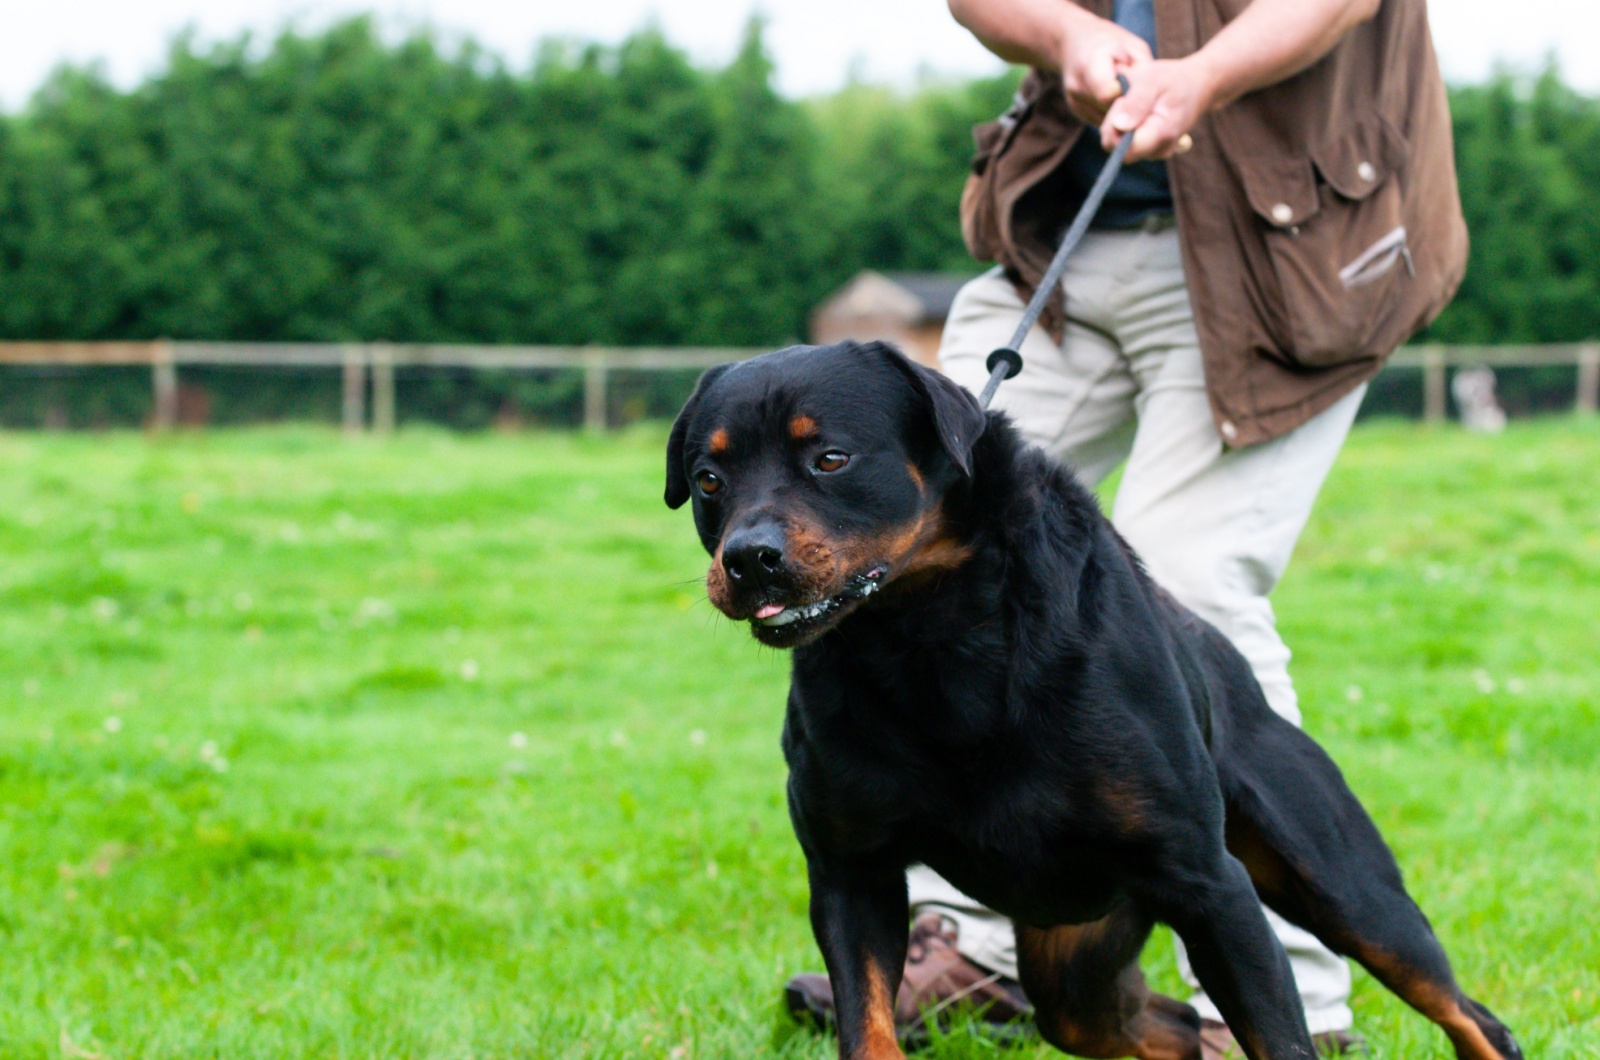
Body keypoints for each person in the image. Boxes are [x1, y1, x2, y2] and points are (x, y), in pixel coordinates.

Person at [784, 0, 1467, 1055]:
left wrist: (1205, 73)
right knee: (893, 557)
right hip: (1061, 230)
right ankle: (995, 955)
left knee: (1191, 585)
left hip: (1287, 244)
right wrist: (1061, 34)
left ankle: (1288, 1007)